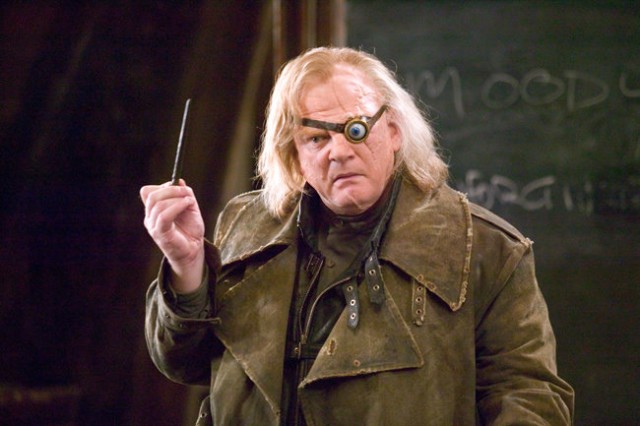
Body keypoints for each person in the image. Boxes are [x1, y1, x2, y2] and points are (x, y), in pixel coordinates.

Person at [140, 46, 574, 425]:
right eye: (315, 138)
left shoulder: (484, 250)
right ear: (294, 157)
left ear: (393, 132)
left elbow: (530, 399)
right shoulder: (245, 228)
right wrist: (187, 266)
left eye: (356, 129)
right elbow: (183, 364)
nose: (339, 152)